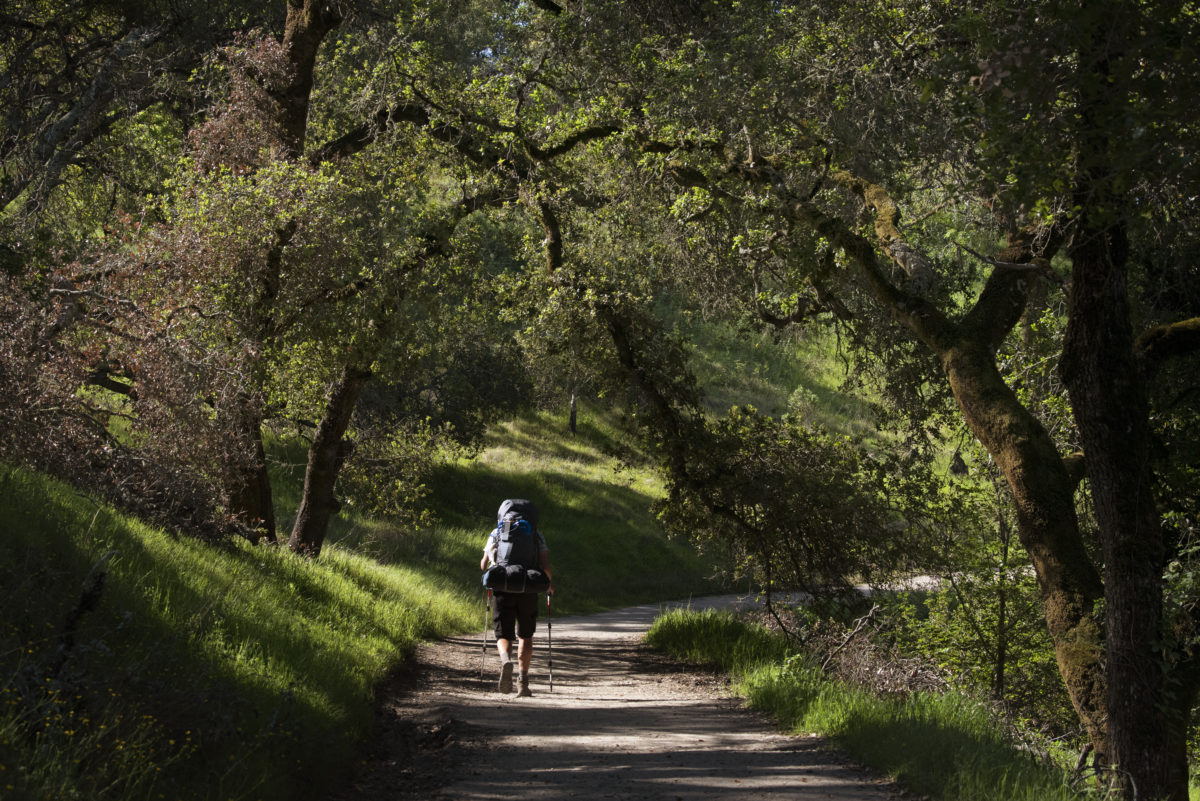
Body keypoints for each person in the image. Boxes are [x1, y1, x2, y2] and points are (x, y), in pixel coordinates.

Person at [480, 501, 553, 697]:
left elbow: (483, 564)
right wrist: (549, 585)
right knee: (525, 635)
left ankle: (506, 660)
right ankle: (523, 682)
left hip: (503, 586)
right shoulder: (536, 535)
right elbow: (544, 564)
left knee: (503, 633)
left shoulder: (498, 531)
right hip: (528, 587)